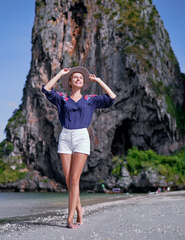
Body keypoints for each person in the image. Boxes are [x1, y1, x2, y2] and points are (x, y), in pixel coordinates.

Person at [41, 66, 117, 229]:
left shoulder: (90, 99)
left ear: (83, 83)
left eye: (80, 78)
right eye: (74, 77)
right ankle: (80, 210)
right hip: (65, 137)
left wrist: (98, 81)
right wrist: (60, 74)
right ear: (69, 82)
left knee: (75, 179)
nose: (78, 79)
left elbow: (112, 97)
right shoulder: (62, 98)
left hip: (81, 137)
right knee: (69, 182)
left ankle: (70, 218)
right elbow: (46, 89)